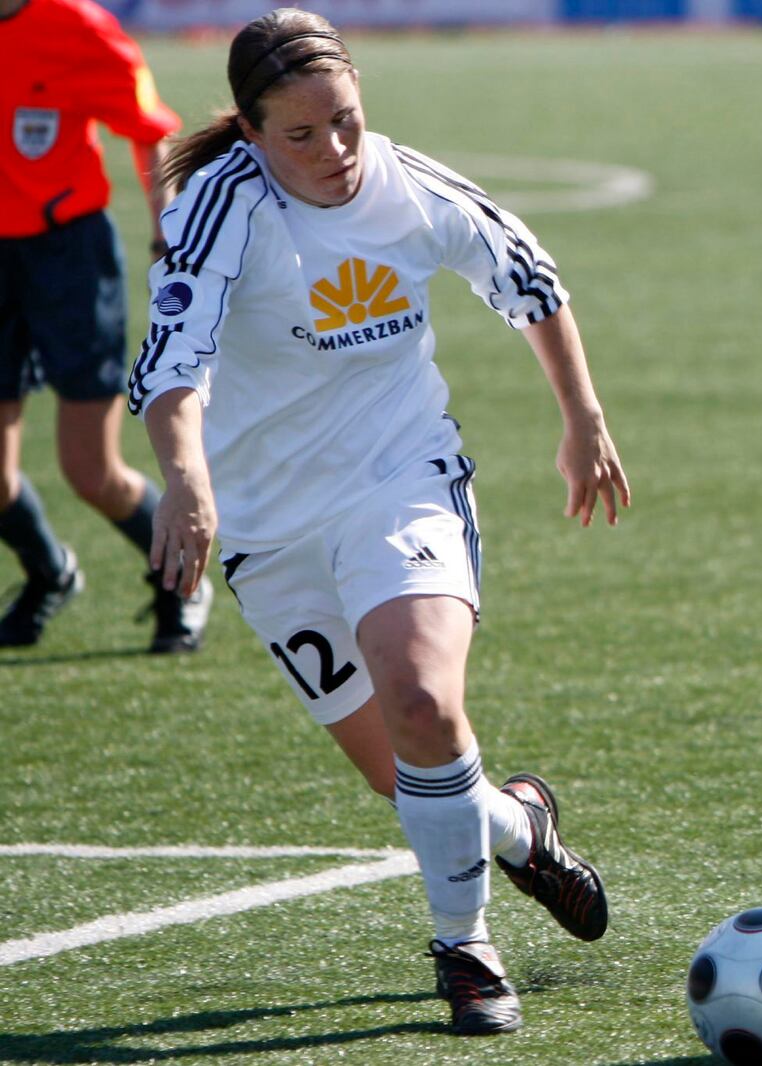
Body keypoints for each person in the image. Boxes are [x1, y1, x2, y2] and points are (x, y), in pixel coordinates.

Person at [130, 8, 630, 1036]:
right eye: (302, 135)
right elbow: (173, 363)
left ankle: (466, 947)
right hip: (271, 526)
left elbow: (529, 277)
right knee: (408, 780)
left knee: (421, 700)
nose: (337, 151)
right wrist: (185, 478)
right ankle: (519, 827)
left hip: (400, 476)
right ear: (255, 135)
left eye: (347, 121)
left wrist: (581, 417)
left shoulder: (408, 185)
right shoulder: (216, 208)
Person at [0, 0, 212, 652]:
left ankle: (182, 583)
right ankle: (50, 572)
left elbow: (149, 130)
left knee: (90, 471)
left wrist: (164, 235)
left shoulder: (78, 26)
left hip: (69, 259)